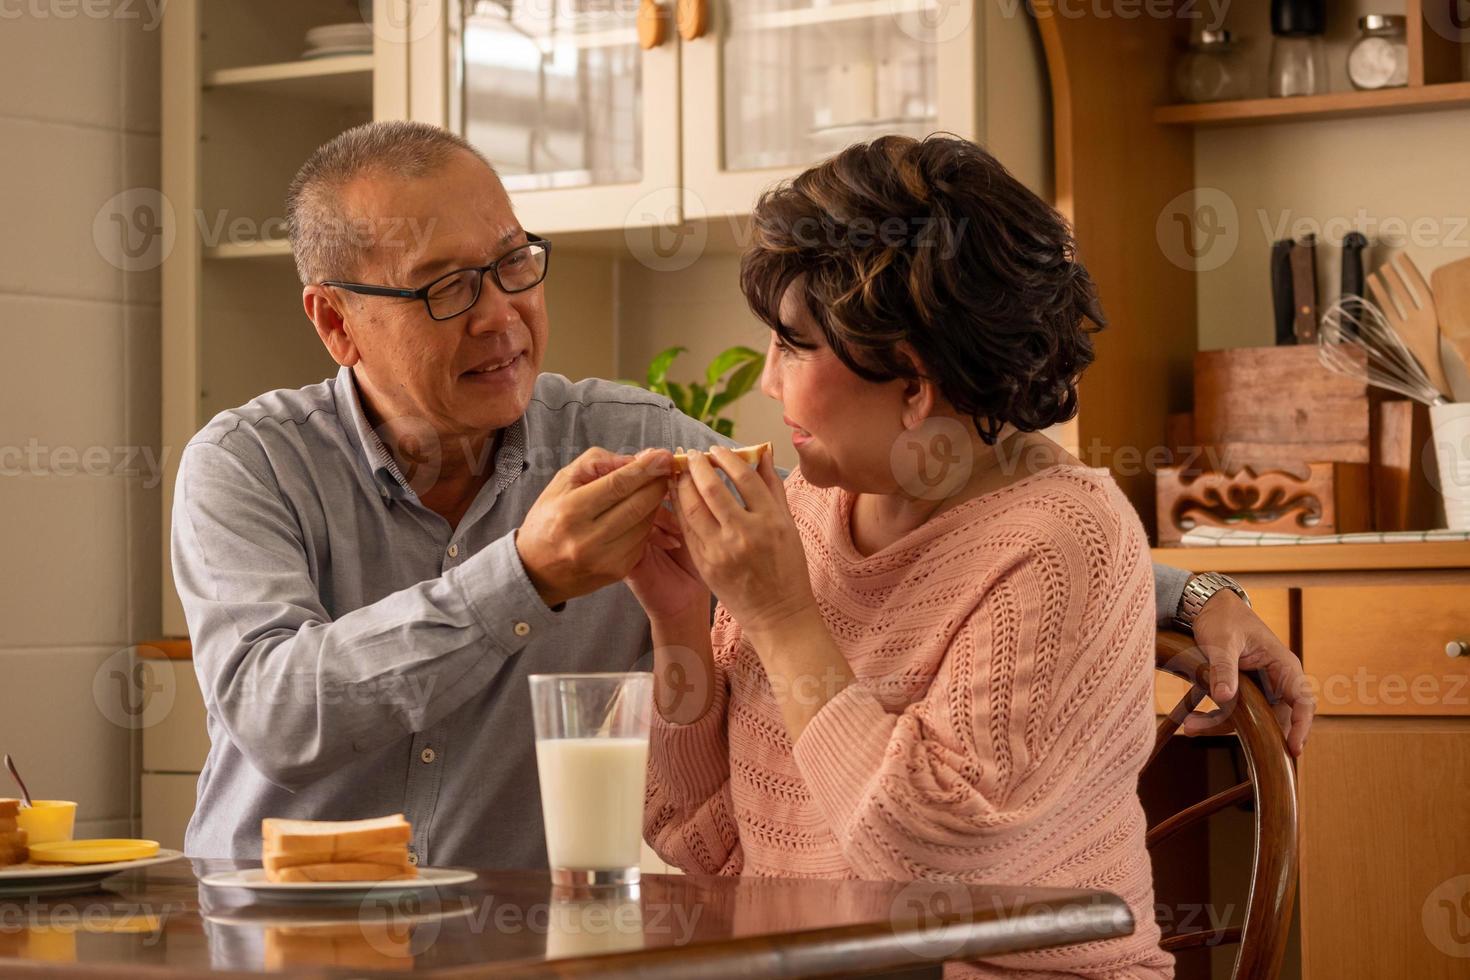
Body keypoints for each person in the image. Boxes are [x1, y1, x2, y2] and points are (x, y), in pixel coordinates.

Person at [171, 121, 1312, 868]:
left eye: (516, 262)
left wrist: (1186, 587)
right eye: (446, 288)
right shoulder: (248, 466)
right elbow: (276, 709)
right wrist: (525, 576)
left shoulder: (622, 441)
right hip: (282, 936)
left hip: (530, 948)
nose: (502, 312)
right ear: (334, 319)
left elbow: (952, 544)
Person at [629, 135, 1181, 976]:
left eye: (792, 346)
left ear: (914, 384)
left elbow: (933, 868)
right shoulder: (812, 507)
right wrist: (676, 613)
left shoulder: (1065, 539)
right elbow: (706, 839)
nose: (768, 383)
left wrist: (780, 617)